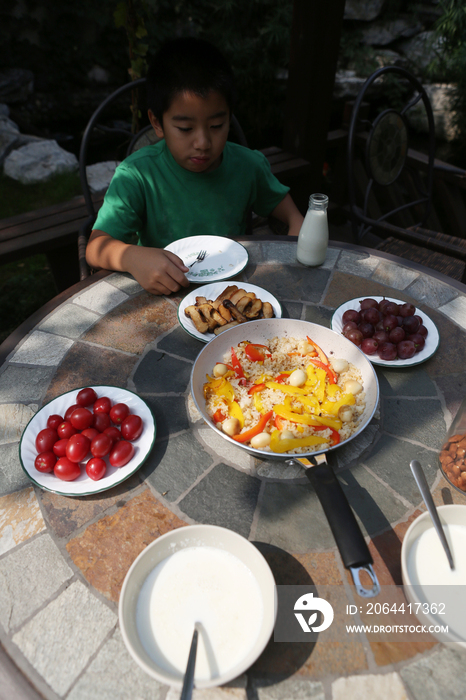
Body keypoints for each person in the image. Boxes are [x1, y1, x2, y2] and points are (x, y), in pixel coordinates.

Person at [86, 37, 304, 296]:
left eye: (216, 126)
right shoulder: (137, 176)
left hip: (231, 293)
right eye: (185, 129)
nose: (203, 143)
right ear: (157, 123)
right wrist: (132, 257)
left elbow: (295, 218)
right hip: (165, 292)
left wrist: (294, 247)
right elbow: (96, 247)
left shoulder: (248, 166)